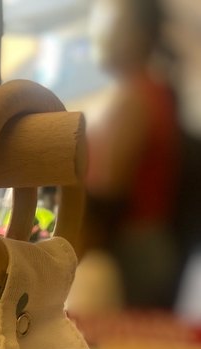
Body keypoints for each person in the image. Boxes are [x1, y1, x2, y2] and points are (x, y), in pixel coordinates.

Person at [82, 0, 182, 310]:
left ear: (137, 36)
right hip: (145, 247)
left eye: (111, 23)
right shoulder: (149, 90)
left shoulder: (136, 97)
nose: (100, 33)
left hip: (130, 250)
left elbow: (110, 192)